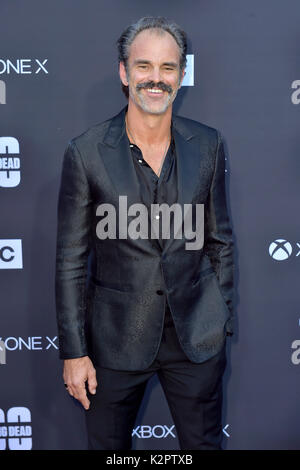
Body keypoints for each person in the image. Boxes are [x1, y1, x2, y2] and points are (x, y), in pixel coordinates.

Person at [55, 16, 235, 450]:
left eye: (168, 68)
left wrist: (220, 314)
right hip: (113, 344)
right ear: (124, 72)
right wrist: (74, 352)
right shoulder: (87, 153)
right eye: (144, 66)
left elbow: (221, 241)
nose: (155, 78)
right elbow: (70, 261)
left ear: (181, 75)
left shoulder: (208, 145)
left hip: (195, 339)